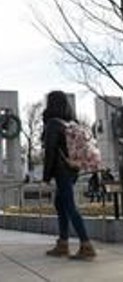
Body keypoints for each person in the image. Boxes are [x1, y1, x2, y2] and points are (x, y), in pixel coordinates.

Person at [42, 90, 96, 260]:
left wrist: (46, 176)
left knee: (69, 206)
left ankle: (86, 245)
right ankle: (63, 243)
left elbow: (50, 151)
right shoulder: (72, 123)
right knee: (60, 204)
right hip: (73, 169)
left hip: (61, 170)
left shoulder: (53, 124)